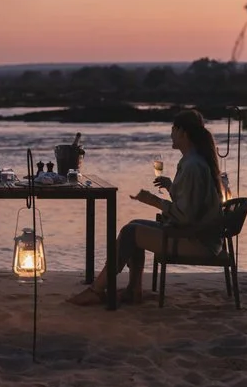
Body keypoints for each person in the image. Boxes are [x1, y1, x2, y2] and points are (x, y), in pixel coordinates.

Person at [68, 109, 224, 305]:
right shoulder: (193, 162)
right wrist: (171, 187)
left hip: (198, 242)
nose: (171, 135)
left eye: (173, 129)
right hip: (195, 235)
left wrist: (153, 200)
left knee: (130, 233)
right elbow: (191, 203)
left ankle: (98, 289)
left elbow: (186, 217)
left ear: (183, 132)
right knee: (133, 226)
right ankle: (133, 289)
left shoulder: (193, 165)